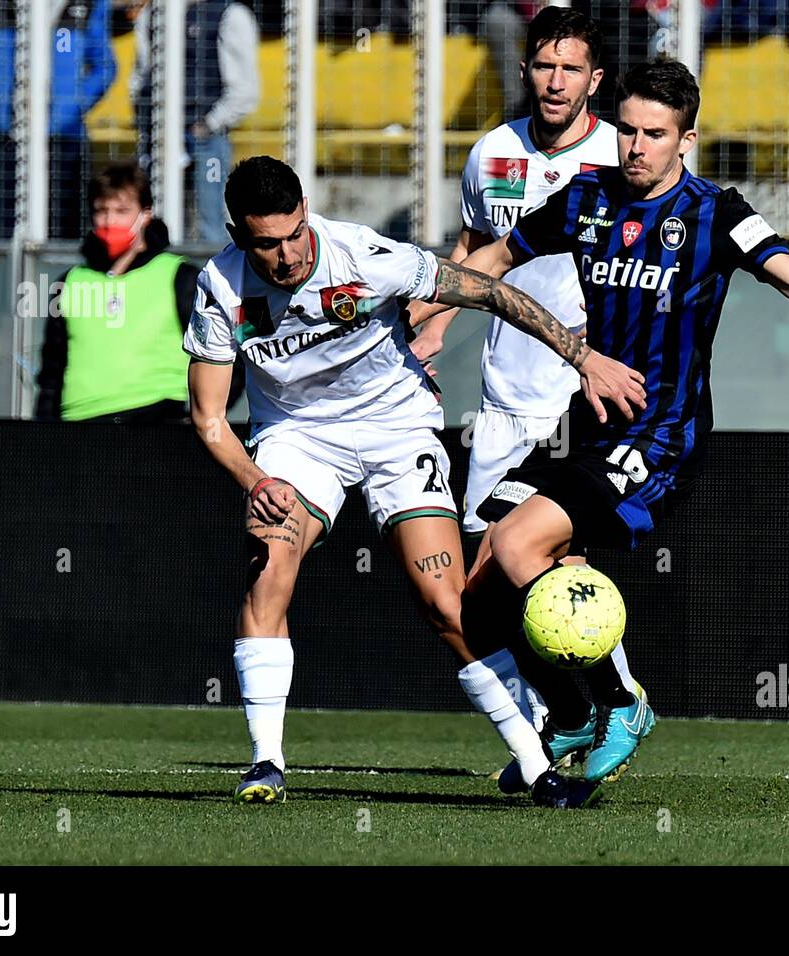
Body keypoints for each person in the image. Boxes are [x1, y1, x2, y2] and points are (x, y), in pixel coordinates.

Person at [452, 58, 789, 785]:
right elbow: (492, 258)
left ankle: (618, 705)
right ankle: (575, 713)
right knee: (488, 571)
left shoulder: (718, 214)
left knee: (520, 545)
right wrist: (416, 306)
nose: (636, 147)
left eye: (655, 134)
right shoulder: (585, 198)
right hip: (588, 423)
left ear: (687, 139)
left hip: (660, 432)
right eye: (627, 131)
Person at [184, 155, 644, 807]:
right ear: (238, 234)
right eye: (266, 243)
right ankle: (265, 763)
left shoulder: (367, 257)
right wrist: (256, 480)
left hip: (398, 429)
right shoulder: (222, 289)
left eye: (294, 234)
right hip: (298, 437)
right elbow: (206, 418)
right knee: (269, 565)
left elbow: (491, 291)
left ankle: (537, 764)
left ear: (306, 211)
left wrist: (583, 356)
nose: (286, 256)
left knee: (445, 603)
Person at [409, 6, 641, 789]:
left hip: (577, 399)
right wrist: (431, 331)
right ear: (526, 70)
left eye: (571, 68)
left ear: (595, 80)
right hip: (502, 397)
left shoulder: (620, 154)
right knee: (498, 586)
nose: (555, 81)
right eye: (544, 65)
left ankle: (600, 709)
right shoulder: (494, 153)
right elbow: (479, 254)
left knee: (532, 563)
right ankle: (573, 718)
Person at [36, 163, 230, 422]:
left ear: (146, 214)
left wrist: (206, 418)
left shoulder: (180, 277)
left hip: (158, 423)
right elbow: (52, 370)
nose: (110, 221)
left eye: (122, 211)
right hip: (80, 425)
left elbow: (223, 355)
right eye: (101, 211)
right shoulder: (70, 282)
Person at [0, 0, 117, 239]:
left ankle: (55, 276)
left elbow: (105, 66)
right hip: (4, 136)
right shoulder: (0, 5)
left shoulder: (87, 5)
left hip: (64, 137)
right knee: (2, 222)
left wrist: (71, 107)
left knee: (62, 220)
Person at [131, 0, 260, 246]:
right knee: (152, 221)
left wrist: (208, 124)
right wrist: (145, 117)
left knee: (210, 224)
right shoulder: (153, 13)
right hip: (157, 136)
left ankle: (212, 281)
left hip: (206, 138)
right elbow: (140, 73)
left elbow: (246, 89)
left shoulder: (230, 15)